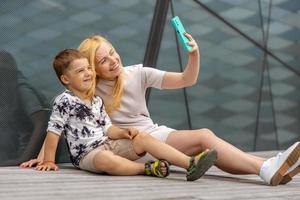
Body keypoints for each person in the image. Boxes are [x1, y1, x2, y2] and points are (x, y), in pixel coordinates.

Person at [21, 34, 299, 186]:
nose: (113, 61)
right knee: (204, 136)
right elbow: (58, 123)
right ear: (91, 68)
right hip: (130, 147)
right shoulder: (88, 90)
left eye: (113, 53)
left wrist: (194, 55)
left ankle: (266, 170)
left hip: (152, 137)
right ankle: (265, 168)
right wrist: (42, 157)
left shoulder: (136, 73)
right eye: (103, 61)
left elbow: (186, 80)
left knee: (208, 150)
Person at [32, 48, 217, 181]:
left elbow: (108, 128)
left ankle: (190, 164)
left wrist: (123, 133)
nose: (88, 73)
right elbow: (54, 131)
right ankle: (146, 169)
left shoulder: (96, 100)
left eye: (89, 68)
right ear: (65, 79)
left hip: (107, 143)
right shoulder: (65, 100)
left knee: (142, 137)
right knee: (106, 160)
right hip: (87, 155)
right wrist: (48, 159)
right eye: (81, 71)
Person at [0, 50, 49, 166]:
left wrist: (23, 158)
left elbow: (42, 123)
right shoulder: (6, 91)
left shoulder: (22, 90)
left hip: (26, 158)